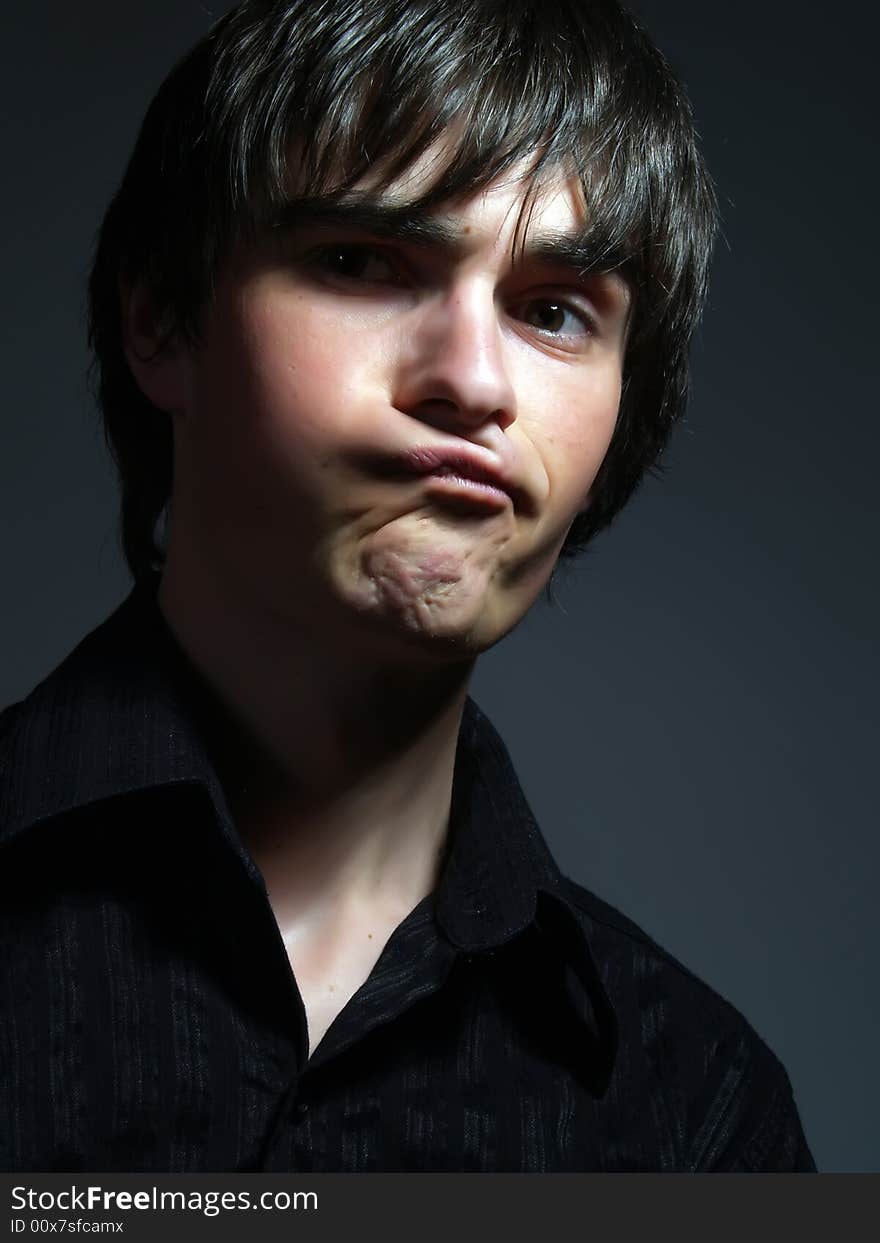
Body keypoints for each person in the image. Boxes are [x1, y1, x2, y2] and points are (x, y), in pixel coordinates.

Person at [0, 0, 815, 1172]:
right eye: (361, 262)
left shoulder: (697, 1110)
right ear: (160, 320)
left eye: (551, 311)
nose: (473, 381)